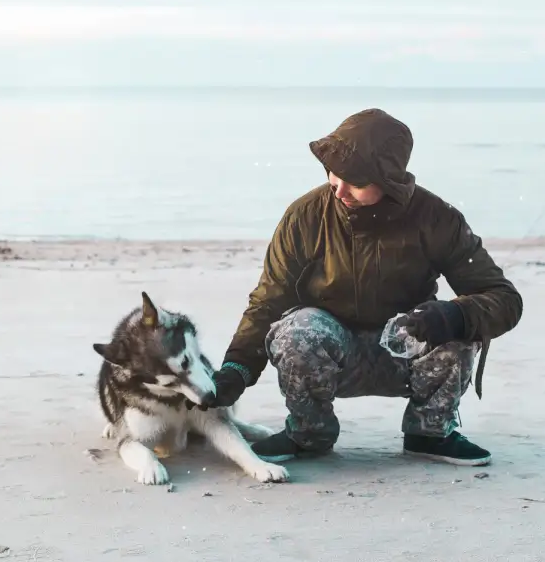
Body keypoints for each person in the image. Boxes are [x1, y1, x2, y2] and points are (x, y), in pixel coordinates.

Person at [206, 109, 522, 467]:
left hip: (406, 348)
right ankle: (309, 434)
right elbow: (268, 301)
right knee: (299, 329)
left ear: (388, 181)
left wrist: (454, 315)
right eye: (333, 175)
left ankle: (429, 433)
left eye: (354, 182)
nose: (338, 188)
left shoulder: (438, 219)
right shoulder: (304, 216)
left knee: (461, 326)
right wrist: (237, 369)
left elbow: (504, 298)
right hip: (329, 351)